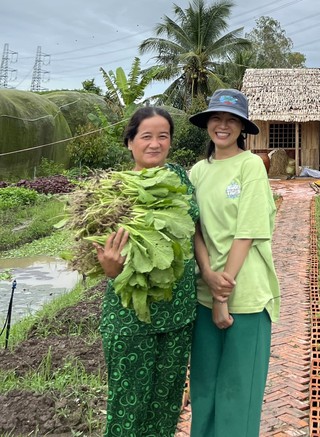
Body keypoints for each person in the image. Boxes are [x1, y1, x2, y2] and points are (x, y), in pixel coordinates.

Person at [93, 107, 199, 437]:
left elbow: (194, 232)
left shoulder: (180, 177)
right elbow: (95, 252)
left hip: (179, 313)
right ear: (130, 142)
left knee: (166, 406)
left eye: (163, 136)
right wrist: (109, 268)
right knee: (129, 407)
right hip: (130, 316)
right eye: (146, 136)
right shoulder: (113, 190)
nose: (155, 144)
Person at [188, 89, 281, 437]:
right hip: (204, 292)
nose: (222, 125)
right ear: (207, 124)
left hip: (246, 297)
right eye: (216, 118)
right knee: (205, 392)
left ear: (242, 127)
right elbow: (194, 229)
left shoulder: (250, 166)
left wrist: (222, 295)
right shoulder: (197, 171)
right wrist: (209, 277)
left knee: (238, 395)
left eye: (231, 120)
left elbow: (248, 230)